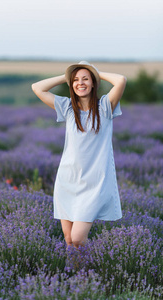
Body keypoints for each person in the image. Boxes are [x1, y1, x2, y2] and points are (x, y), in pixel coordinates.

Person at [32, 61, 127, 249]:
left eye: (85, 79)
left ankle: (87, 275)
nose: (80, 83)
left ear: (94, 83)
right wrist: (67, 76)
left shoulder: (105, 107)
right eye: (75, 80)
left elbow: (121, 80)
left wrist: (95, 72)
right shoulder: (67, 107)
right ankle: (77, 276)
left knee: (77, 238)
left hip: (95, 183)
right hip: (68, 181)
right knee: (68, 240)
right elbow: (37, 88)